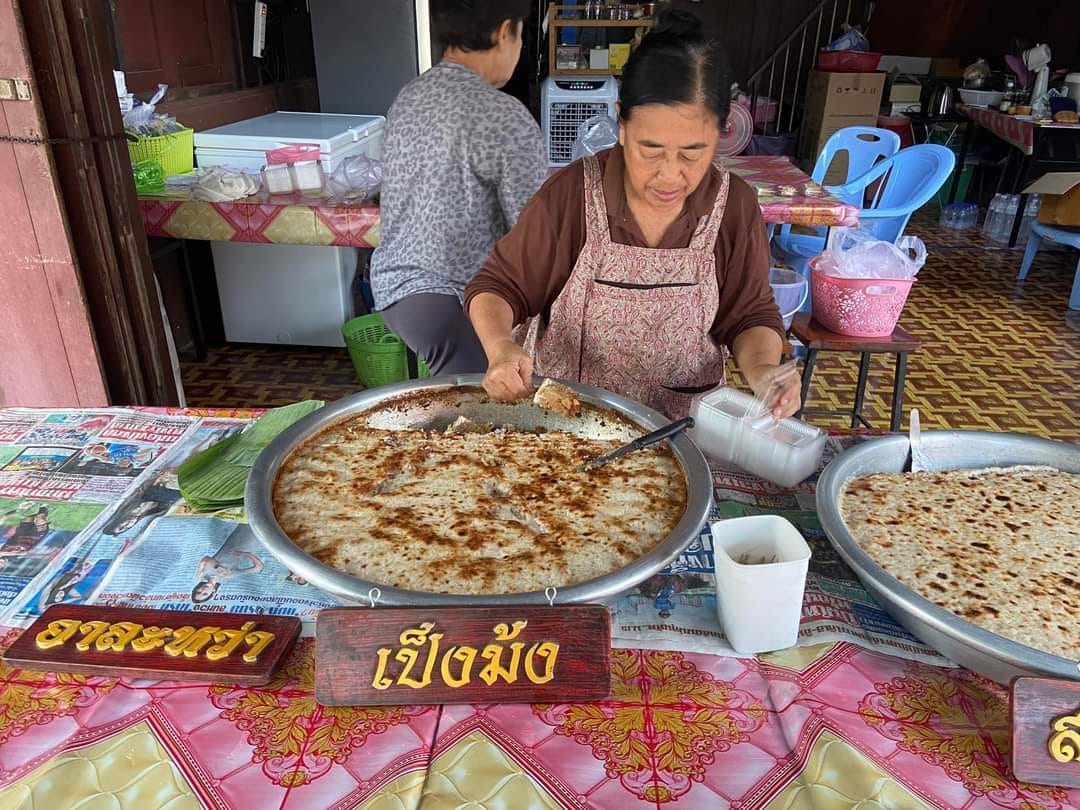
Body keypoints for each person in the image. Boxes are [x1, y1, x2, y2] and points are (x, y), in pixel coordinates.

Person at [465, 10, 800, 420]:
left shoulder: (733, 205)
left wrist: (763, 369)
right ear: (621, 123)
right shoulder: (574, 195)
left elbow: (748, 314)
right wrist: (501, 347)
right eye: (651, 150)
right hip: (570, 426)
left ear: (721, 132)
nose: (670, 175)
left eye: (693, 152)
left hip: (680, 430)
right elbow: (498, 286)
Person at [369, 0, 547, 375]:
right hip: (452, 297)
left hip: (394, 289)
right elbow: (534, 234)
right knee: (486, 412)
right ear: (504, 32)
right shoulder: (502, 115)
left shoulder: (411, 96)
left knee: (463, 405)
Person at [192, 549, 263, 603]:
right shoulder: (228, 576)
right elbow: (258, 567)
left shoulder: (204, 573)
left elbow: (206, 559)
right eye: (205, 593)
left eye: (198, 592)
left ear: (196, 588)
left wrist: (218, 566)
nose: (203, 590)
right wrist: (246, 554)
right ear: (213, 592)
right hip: (246, 545)